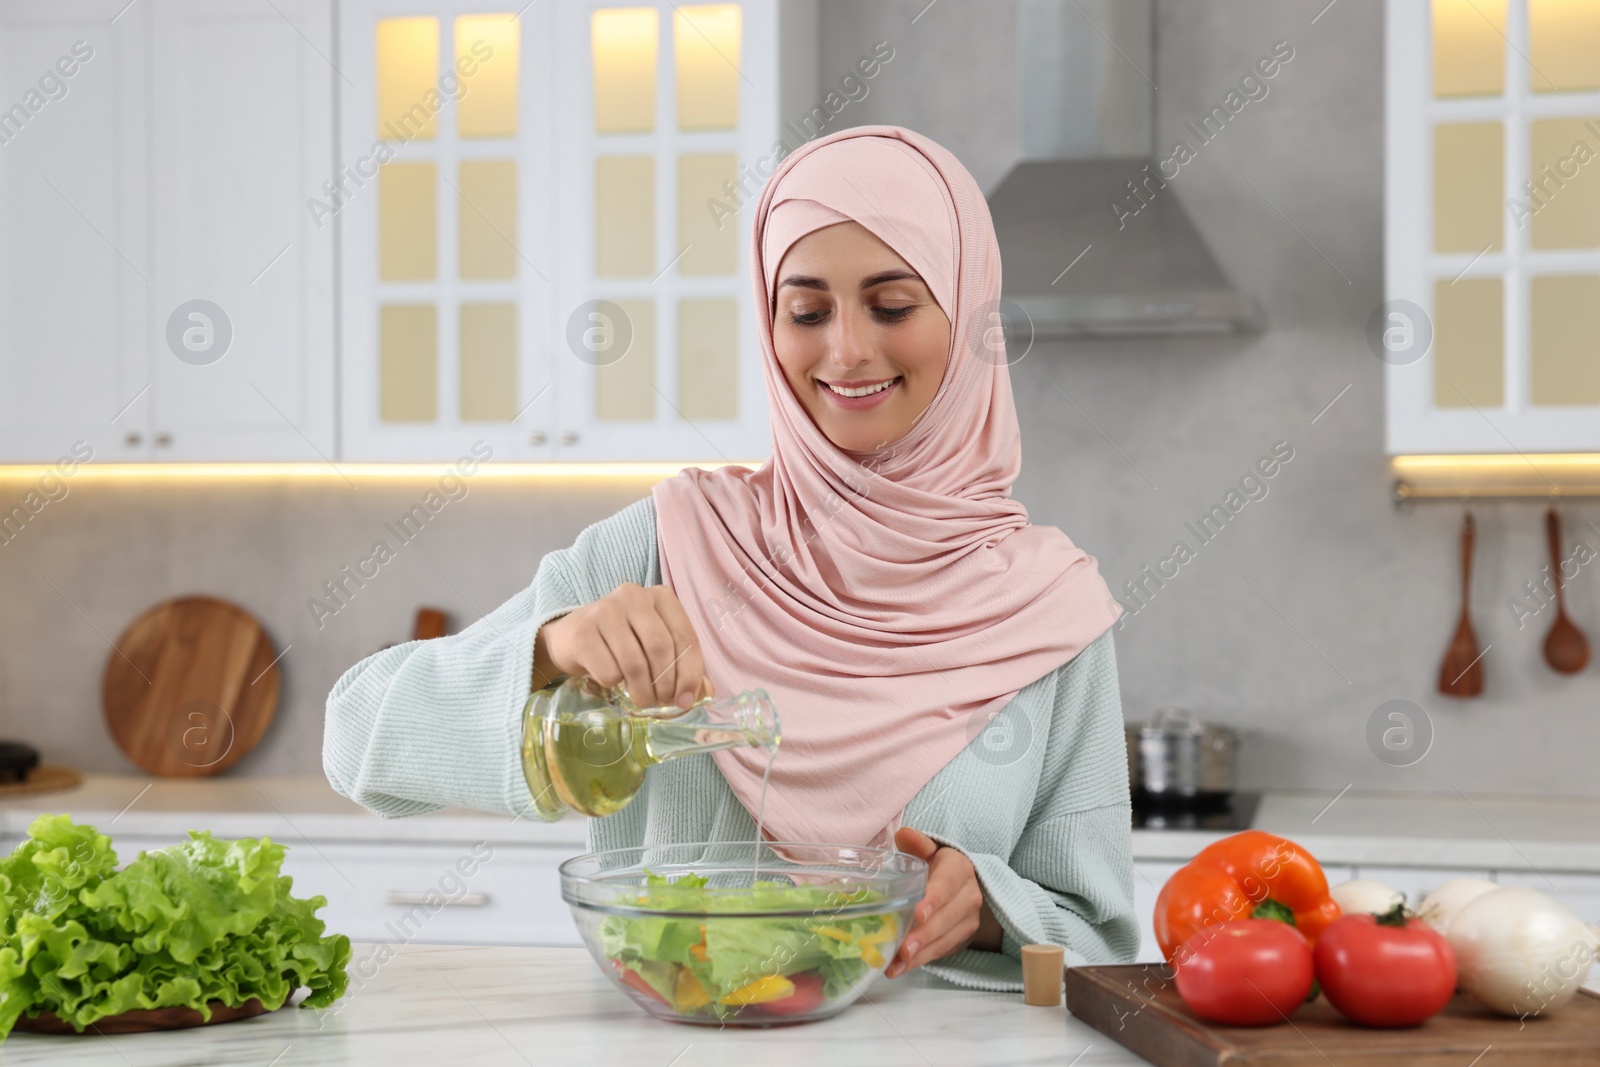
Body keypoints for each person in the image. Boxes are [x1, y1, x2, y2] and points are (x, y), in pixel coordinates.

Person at [324, 124, 1138, 990]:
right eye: (807, 310)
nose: (848, 350)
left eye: (892, 305)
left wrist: (989, 902)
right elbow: (355, 737)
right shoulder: (662, 547)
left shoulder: (1053, 614)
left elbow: (1099, 936)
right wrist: (552, 649)